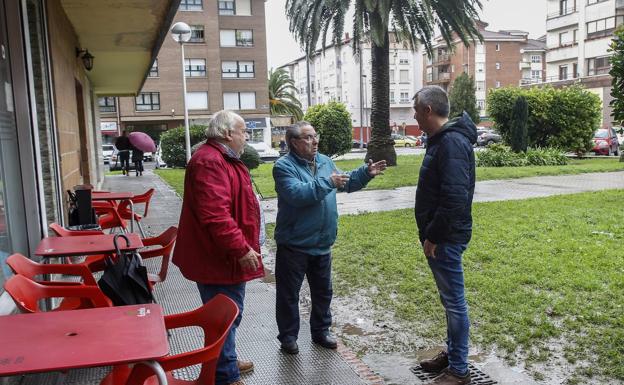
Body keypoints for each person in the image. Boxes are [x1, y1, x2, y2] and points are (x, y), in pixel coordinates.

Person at [272, 121, 387, 355]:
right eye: (307, 137)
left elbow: (344, 182)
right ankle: (288, 337)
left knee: (323, 292)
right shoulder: (283, 167)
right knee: (288, 295)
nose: (315, 141)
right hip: (294, 244)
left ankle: (321, 331)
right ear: (293, 142)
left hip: (322, 242)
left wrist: (365, 173)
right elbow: (297, 194)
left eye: (315, 136)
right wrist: (328, 182)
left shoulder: (324, 161)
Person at [172, 110, 264, 385]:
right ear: (227, 134)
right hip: (218, 258)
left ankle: (227, 359)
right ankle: (225, 374)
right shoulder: (210, 162)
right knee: (223, 317)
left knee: (229, 313)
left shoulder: (221, 159)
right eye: (243, 131)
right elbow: (216, 215)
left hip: (224, 257)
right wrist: (241, 249)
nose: (246, 137)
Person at [413, 86, 477, 385]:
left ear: (427, 110)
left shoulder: (450, 142)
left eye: (416, 110)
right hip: (443, 235)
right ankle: (452, 355)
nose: (414, 116)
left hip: (446, 237)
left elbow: (454, 197)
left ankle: (459, 369)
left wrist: (433, 236)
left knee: (454, 302)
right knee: (449, 300)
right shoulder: (443, 140)